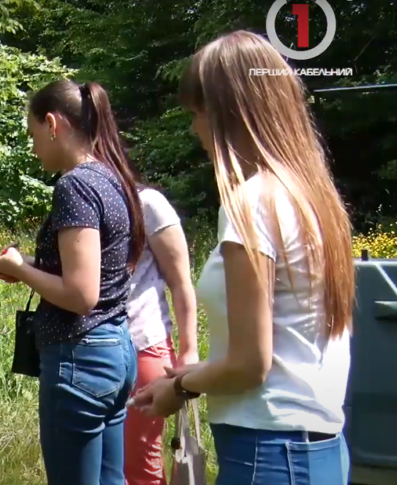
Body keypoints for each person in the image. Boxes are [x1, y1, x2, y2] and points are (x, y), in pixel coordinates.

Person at [131, 30, 355, 485]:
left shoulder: (253, 205)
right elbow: (285, 343)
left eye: (197, 113)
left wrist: (180, 387)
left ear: (228, 113)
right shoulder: (314, 199)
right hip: (320, 450)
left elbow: (252, 365)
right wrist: (202, 371)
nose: (194, 128)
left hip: (270, 453)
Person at [0, 79, 145, 485]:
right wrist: (26, 262)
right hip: (116, 349)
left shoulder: (74, 185)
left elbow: (81, 294)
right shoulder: (111, 178)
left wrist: (23, 271)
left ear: (53, 123)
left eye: (33, 133)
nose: (33, 146)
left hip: (80, 356)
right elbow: (90, 266)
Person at [122, 180, 199, 485]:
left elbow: (181, 282)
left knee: (138, 468)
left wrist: (189, 349)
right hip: (95, 351)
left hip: (143, 346)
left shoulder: (147, 203)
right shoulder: (85, 198)